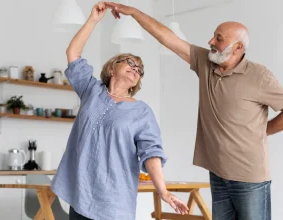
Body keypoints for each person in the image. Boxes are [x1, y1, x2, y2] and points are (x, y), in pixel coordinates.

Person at [104, 2, 283, 220]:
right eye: (213, 36)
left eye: (219, 38)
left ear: (238, 48)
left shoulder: (259, 76)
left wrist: (263, 130)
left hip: (249, 178)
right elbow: (168, 39)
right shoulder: (206, 62)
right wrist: (133, 12)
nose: (211, 42)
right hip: (218, 174)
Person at [51, 2, 188, 220]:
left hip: (113, 202)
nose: (136, 69)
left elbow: (151, 152)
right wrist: (93, 20)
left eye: (140, 70)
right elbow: (73, 53)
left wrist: (163, 190)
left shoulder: (142, 112)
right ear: (112, 67)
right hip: (80, 195)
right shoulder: (91, 91)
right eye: (131, 63)